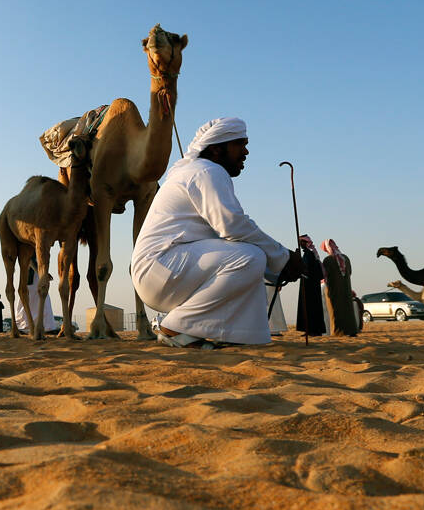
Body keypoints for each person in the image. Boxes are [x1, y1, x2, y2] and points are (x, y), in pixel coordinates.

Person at [131, 117, 304, 348]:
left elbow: (228, 236)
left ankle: (233, 336)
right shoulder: (206, 171)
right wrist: (283, 258)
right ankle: (174, 327)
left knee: (253, 264)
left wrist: (276, 270)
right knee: (250, 256)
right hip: (160, 269)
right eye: (240, 144)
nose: (246, 152)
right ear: (216, 149)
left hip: (166, 271)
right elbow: (233, 225)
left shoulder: (201, 171)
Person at [321, 238, 359, 336]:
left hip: (333, 290)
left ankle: (338, 332)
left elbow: (324, 275)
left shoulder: (328, 260)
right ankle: (351, 331)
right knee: (348, 310)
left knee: (335, 311)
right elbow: (349, 272)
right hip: (346, 289)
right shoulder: (346, 258)